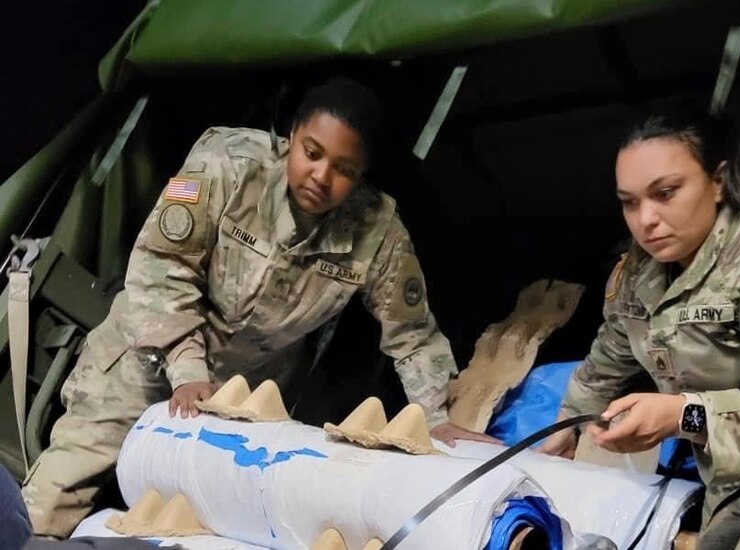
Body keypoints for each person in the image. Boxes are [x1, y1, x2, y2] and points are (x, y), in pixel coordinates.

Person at [22, 77, 495, 538]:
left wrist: (435, 418)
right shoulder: (224, 163)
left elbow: (412, 336)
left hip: (236, 401)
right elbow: (161, 266)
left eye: (345, 170)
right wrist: (186, 369)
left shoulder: (378, 233)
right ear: (290, 136)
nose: (322, 177)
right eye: (312, 153)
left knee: (198, 530)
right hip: (144, 361)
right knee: (48, 505)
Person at [541, 113, 740, 548]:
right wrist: (564, 427)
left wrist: (682, 415)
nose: (645, 220)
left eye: (665, 193)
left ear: (718, 181)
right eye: (629, 202)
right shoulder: (641, 272)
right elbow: (608, 357)